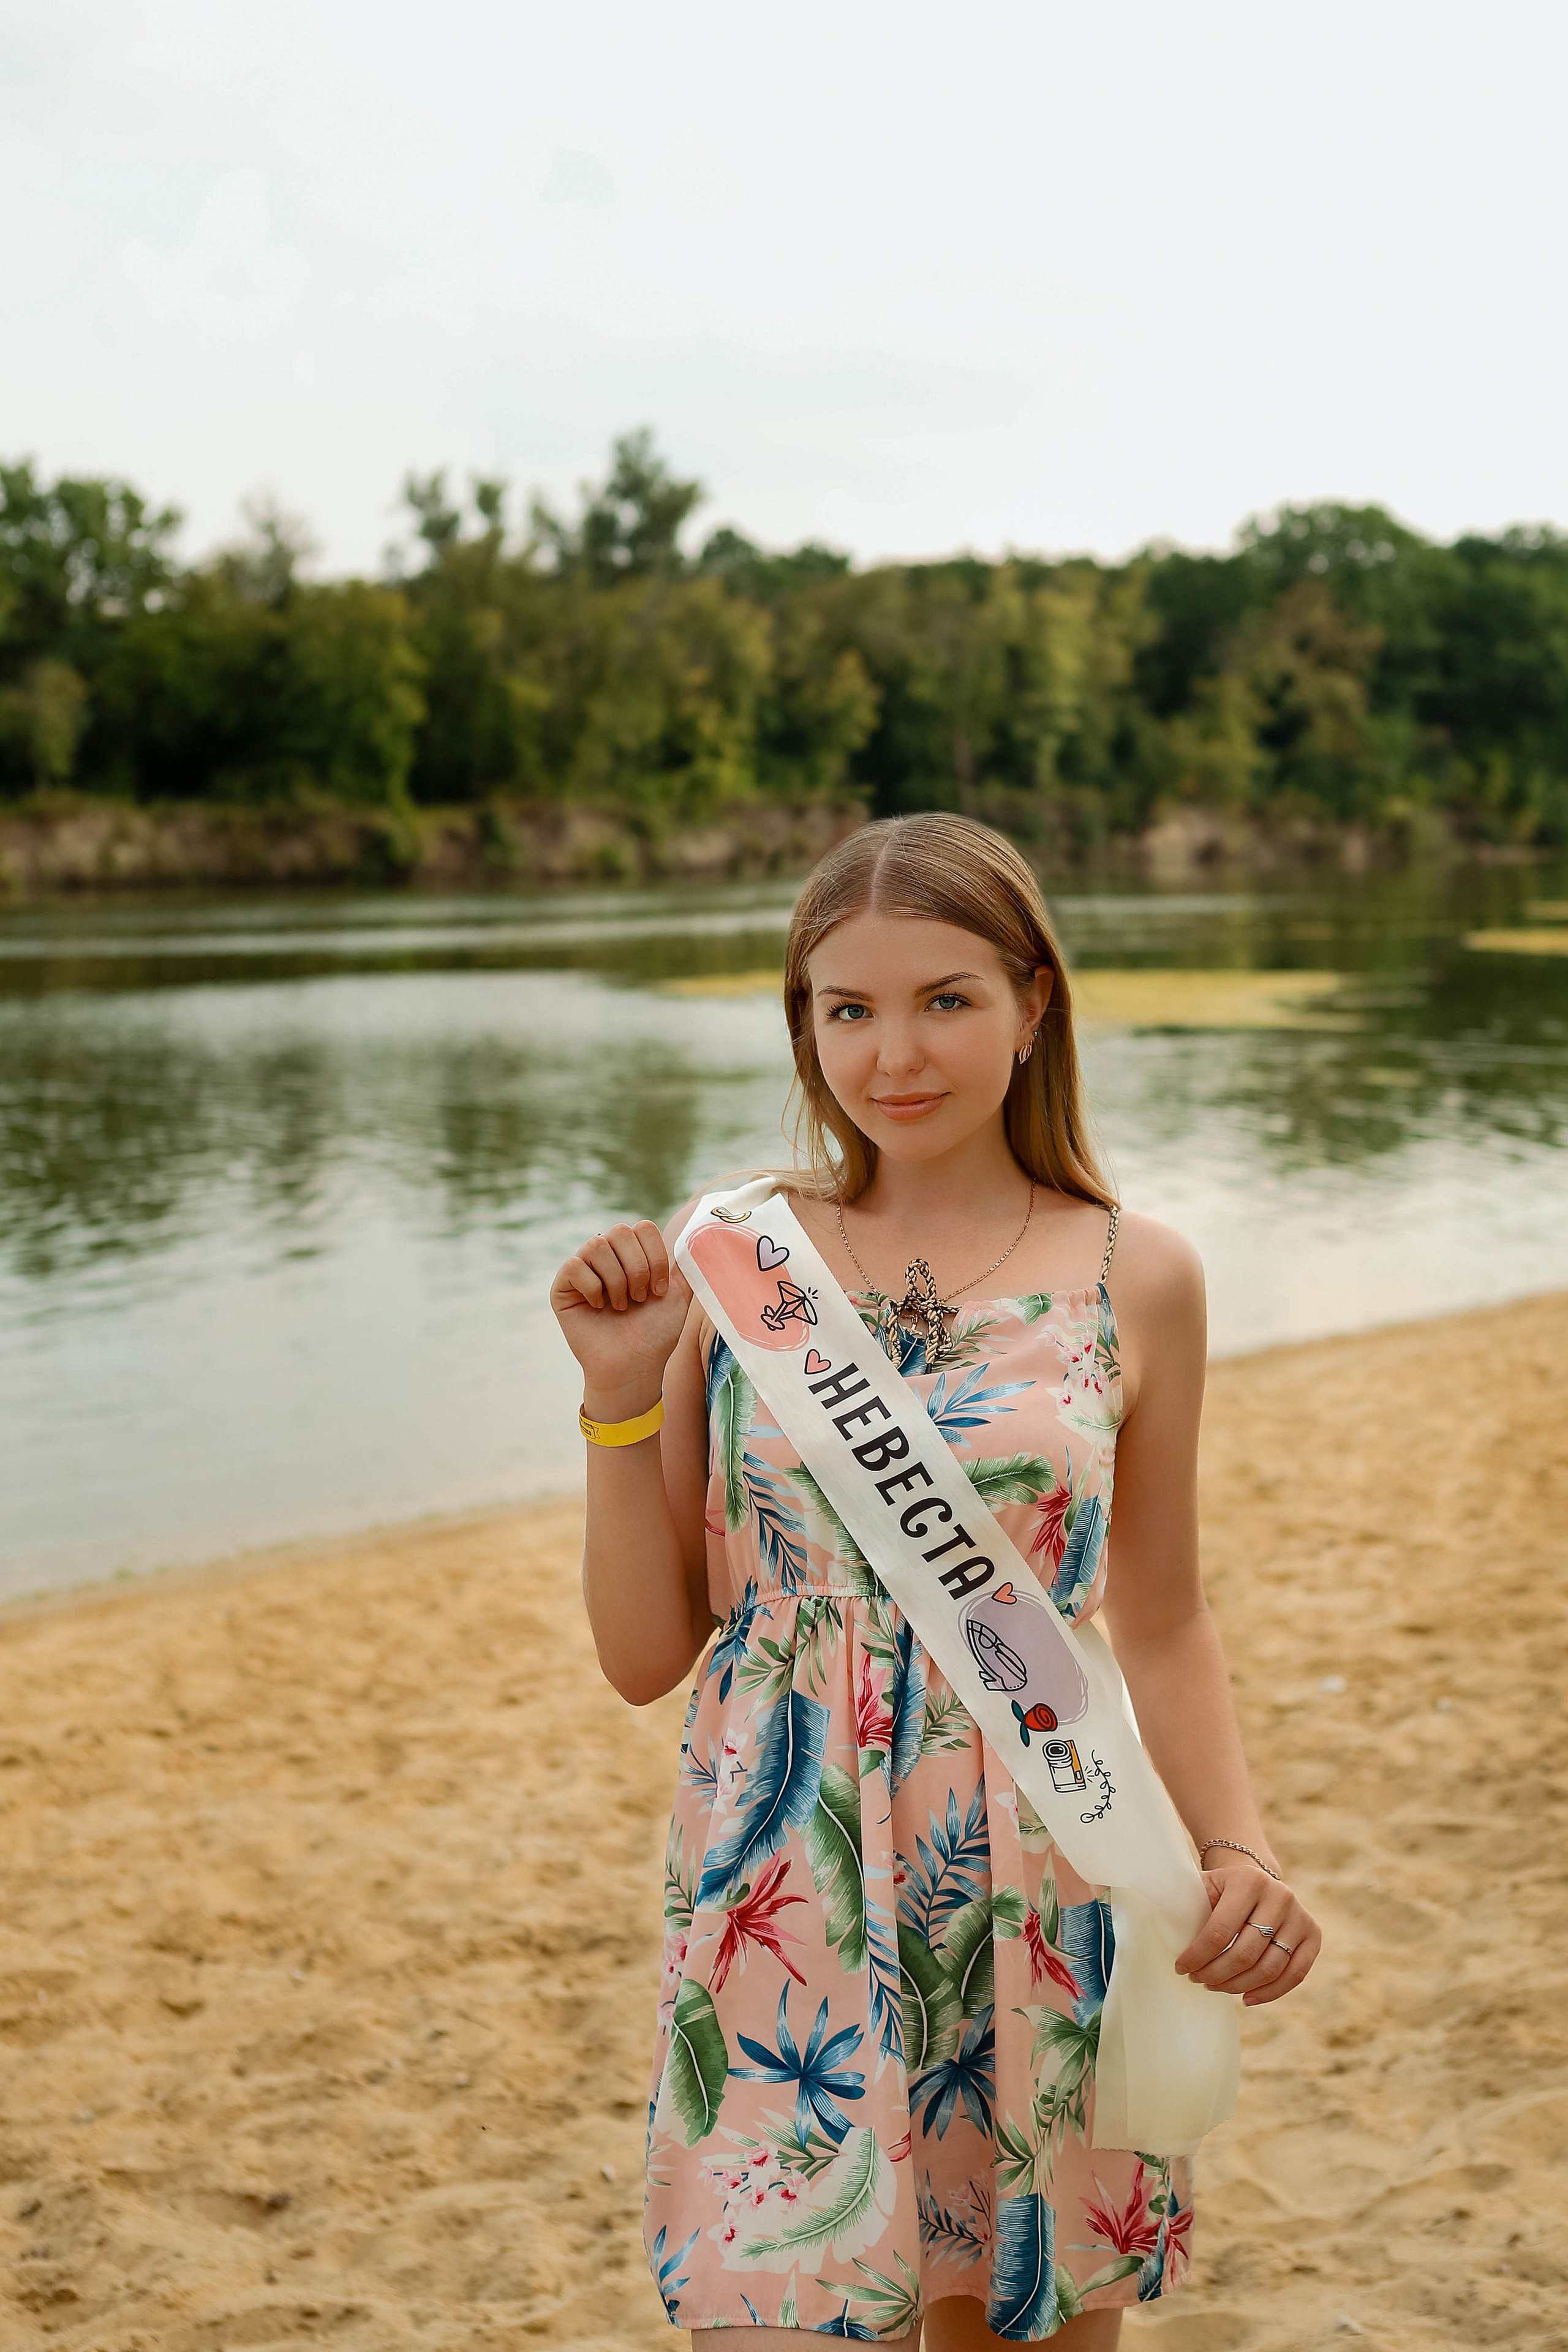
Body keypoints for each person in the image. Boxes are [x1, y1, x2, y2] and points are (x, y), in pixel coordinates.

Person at [549, 814, 1321, 2348]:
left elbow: (1157, 1612)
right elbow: (646, 1656)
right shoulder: (741, 1271)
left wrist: (1235, 1847)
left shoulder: (1134, 1274)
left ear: (1035, 1005)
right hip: (786, 1872)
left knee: (1018, 2323)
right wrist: (618, 1395)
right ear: (804, 1024)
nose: (891, 1053)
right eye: (847, 1009)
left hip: (1040, 1853)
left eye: (945, 1000)